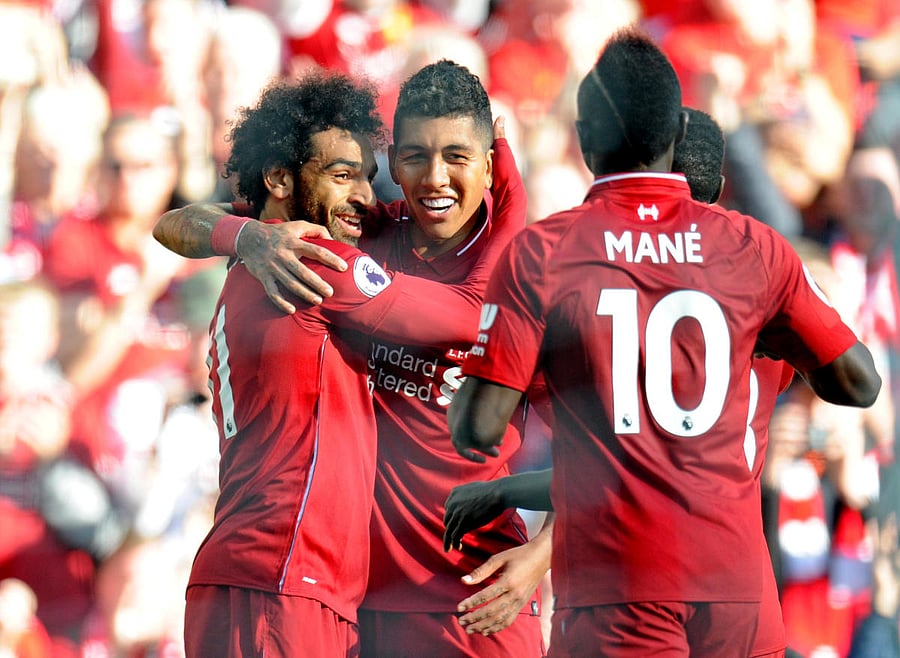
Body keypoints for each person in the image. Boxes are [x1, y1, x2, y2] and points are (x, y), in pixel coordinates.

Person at [448, 28, 881, 656]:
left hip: (621, 584)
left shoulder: (546, 252)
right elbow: (860, 382)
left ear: (584, 137)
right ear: (674, 136)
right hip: (739, 586)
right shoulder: (755, 251)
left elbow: (479, 431)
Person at [154, 60, 547, 657]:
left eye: (459, 157)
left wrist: (544, 556)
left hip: (470, 603)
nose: (434, 177)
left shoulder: (536, 286)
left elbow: (611, 439)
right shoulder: (330, 255)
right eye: (413, 156)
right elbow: (471, 315)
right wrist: (251, 234)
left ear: (487, 161)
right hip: (314, 591)